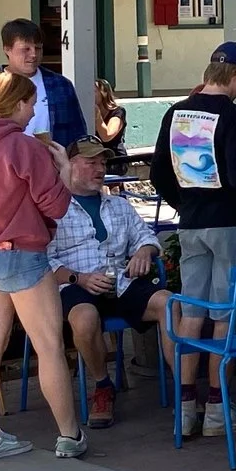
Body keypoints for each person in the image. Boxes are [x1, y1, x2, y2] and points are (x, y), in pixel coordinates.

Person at [0, 70, 87, 461]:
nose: (33, 110)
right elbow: (56, 206)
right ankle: (69, 435)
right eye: (31, 103)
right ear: (21, 103)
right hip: (20, 253)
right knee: (49, 346)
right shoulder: (22, 147)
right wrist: (63, 173)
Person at [150, 42, 236, 438]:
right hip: (232, 224)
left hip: (191, 225)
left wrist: (185, 204)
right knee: (226, 314)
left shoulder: (176, 113)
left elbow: (159, 175)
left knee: (193, 311)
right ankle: (218, 411)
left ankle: (186, 409)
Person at [44, 139, 166, 429]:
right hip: (75, 283)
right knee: (85, 320)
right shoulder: (54, 210)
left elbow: (146, 237)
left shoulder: (118, 205)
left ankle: (185, 392)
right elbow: (43, 261)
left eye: (102, 163)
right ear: (70, 165)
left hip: (120, 280)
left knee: (170, 305)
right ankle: (102, 385)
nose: (100, 169)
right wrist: (79, 278)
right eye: (91, 162)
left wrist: (143, 252)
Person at [0, 18, 87, 148]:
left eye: (38, 48)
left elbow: (78, 134)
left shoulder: (61, 85)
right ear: (7, 49)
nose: (34, 54)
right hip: (5, 163)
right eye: (26, 49)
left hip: (54, 164)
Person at [92, 80, 128, 150]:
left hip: (114, 155)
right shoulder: (88, 112)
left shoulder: (118, 112)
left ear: (104, 93)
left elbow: (107, 136)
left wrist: (97, 115)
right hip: (97, 155)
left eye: (94, 91)